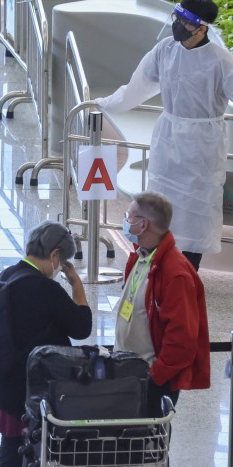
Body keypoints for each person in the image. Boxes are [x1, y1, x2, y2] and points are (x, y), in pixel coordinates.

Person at [95, 0, 233, 270]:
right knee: (158, 205)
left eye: (185, 23)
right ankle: (153, 272)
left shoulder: (221, 61)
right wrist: (102, 104)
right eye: (177, 19)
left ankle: (186, 274)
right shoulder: (164, 50)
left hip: (202, 148)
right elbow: (135, 89)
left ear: (202, 28)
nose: (178, 26)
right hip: (167, 142)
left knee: (196, 215)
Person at [0, 221, 92, 467]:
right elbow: (82, 327)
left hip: (1, 385)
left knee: (7, 456)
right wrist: (76, 286)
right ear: (55, 255)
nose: (61, 270)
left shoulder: (7, 274)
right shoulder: (45, 289)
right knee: (25, 461)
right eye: (62, 264)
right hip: (28, 393)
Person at [117, 191, 210, 467]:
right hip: (133, 374)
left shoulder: (175, 272)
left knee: (155, 456)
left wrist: (156, 380)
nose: (126, 220)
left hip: (154, 380)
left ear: (146, 224)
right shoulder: (142, 258)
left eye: (131, 216)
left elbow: (183, 338)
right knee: (143, 454)